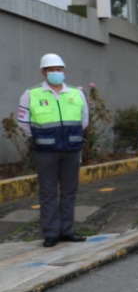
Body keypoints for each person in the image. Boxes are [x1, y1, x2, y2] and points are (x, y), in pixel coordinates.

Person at [16, 53, 89, 246]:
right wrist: (41, 137)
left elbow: (84, 120)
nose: (56, 73)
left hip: (71, 150)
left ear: (64, 71)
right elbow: (22, 122)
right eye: (51, 70)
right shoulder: (31, 94)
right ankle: (51, 233)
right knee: (47, 192)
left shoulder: (76, 93)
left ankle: (67, 230)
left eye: (59, 69)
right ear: (43, 72)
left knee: (69, 191)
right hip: (45, 152)